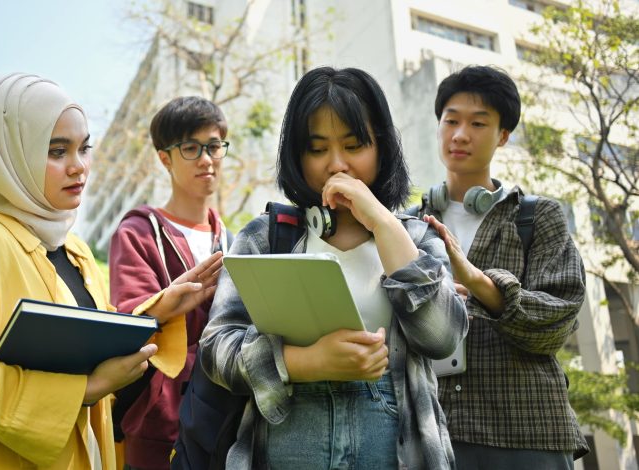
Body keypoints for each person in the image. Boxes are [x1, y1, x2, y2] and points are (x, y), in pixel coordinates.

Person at [198, 66, 468, 469]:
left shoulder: (416, 237)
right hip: (286, 442)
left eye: (354, 144)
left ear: (382, 146)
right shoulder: (266, 237)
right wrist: (305, 363)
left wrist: (383, 223)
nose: (336, 164)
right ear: (297, 154)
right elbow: (215, 349)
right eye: (318, 148)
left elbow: (443, 337)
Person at [0, 73, 168, 469]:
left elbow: (94, 360)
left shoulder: (74, 251)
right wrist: (85, 388)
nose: (79, 168)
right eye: (56, 151)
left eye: (84, 148)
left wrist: (164, 311)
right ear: (1, 157)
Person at [416, 65, 588, 468]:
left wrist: (478, 282)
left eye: (478, 123)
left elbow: (558, 321)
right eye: (451, 121)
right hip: (431, 434)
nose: (460, 134)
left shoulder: (537, 216)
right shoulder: (405, 225)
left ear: (503, 136)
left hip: (526, 431)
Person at [108, 96, 228, 469]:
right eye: (191, 148)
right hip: (160, 419)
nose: (206, 159)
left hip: (228, 413)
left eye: (214, 146)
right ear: (165, 158)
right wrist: (167, 304)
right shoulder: (138, 232)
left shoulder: (235, 240)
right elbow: (128, 319)